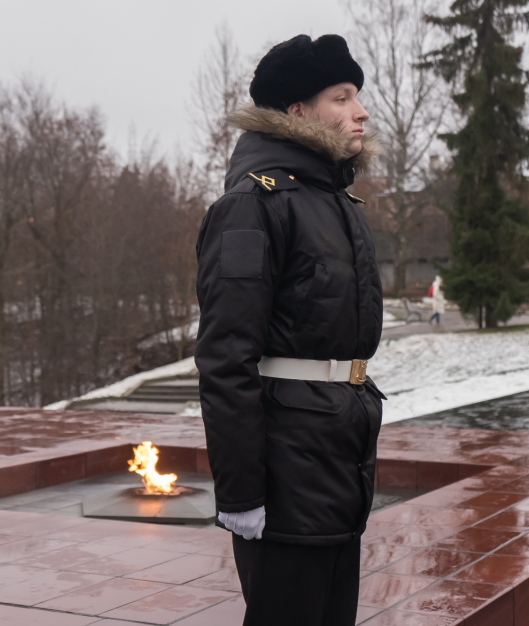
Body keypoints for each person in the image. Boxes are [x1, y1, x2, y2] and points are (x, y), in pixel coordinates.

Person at [195, 34, 385, 626]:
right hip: (287, 469)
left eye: (357, 96)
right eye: (341, 98)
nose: (361, 111)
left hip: (339, 457)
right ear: (299, 112)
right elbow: (226, 357)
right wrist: (241, 494)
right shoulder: (253, 205)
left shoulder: (336, 203)